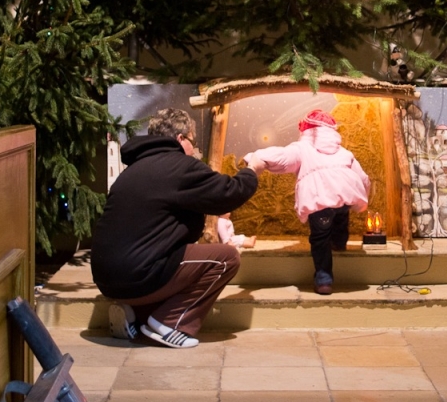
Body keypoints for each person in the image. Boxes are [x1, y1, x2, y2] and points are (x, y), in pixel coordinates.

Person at [91, 108, 265, 348]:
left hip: (107, 279)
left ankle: (135, 314)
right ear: (181, 138)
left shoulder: (133, 170)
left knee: (174, 262)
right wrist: (252, 170)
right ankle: (170, 324)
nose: (194, 149)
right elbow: (228, 193)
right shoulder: (179, 166)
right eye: (193, 141)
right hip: (138, 276)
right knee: (226, 258)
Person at [244, 109, 371, 295]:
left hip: (320, 200)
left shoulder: (302, 148)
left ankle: (324, 280)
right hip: (345, 196)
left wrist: (254, 158)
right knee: (341, 213)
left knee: (320, 237)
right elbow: (363, 178)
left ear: (306, 129)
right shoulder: (344, 152)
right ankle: (339, 242)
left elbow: (281, 156)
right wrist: (363, 197)